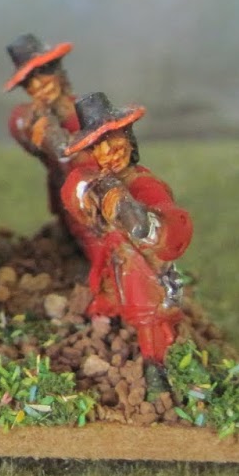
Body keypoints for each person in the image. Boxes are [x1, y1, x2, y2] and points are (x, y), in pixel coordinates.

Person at [60, 93, 192, 384]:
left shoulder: (144, 185)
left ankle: (156, 367)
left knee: (148, 312)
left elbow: (168, 224)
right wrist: (94, 193)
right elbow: (75, 195)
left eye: (116, 141)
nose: (110, 152)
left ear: (130, 141)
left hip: (139, 264)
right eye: (99, 147)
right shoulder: (94, 179)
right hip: (111, 259)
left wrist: (148, 226)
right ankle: (102, 324)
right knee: (107, 296)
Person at [4, 33, 83, 226]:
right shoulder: (26, 117)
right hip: (72, 209)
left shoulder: (88, 111)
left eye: (45, 70)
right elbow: (26, 129)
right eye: (28, 81)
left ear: (58, 70)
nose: (38, 84)